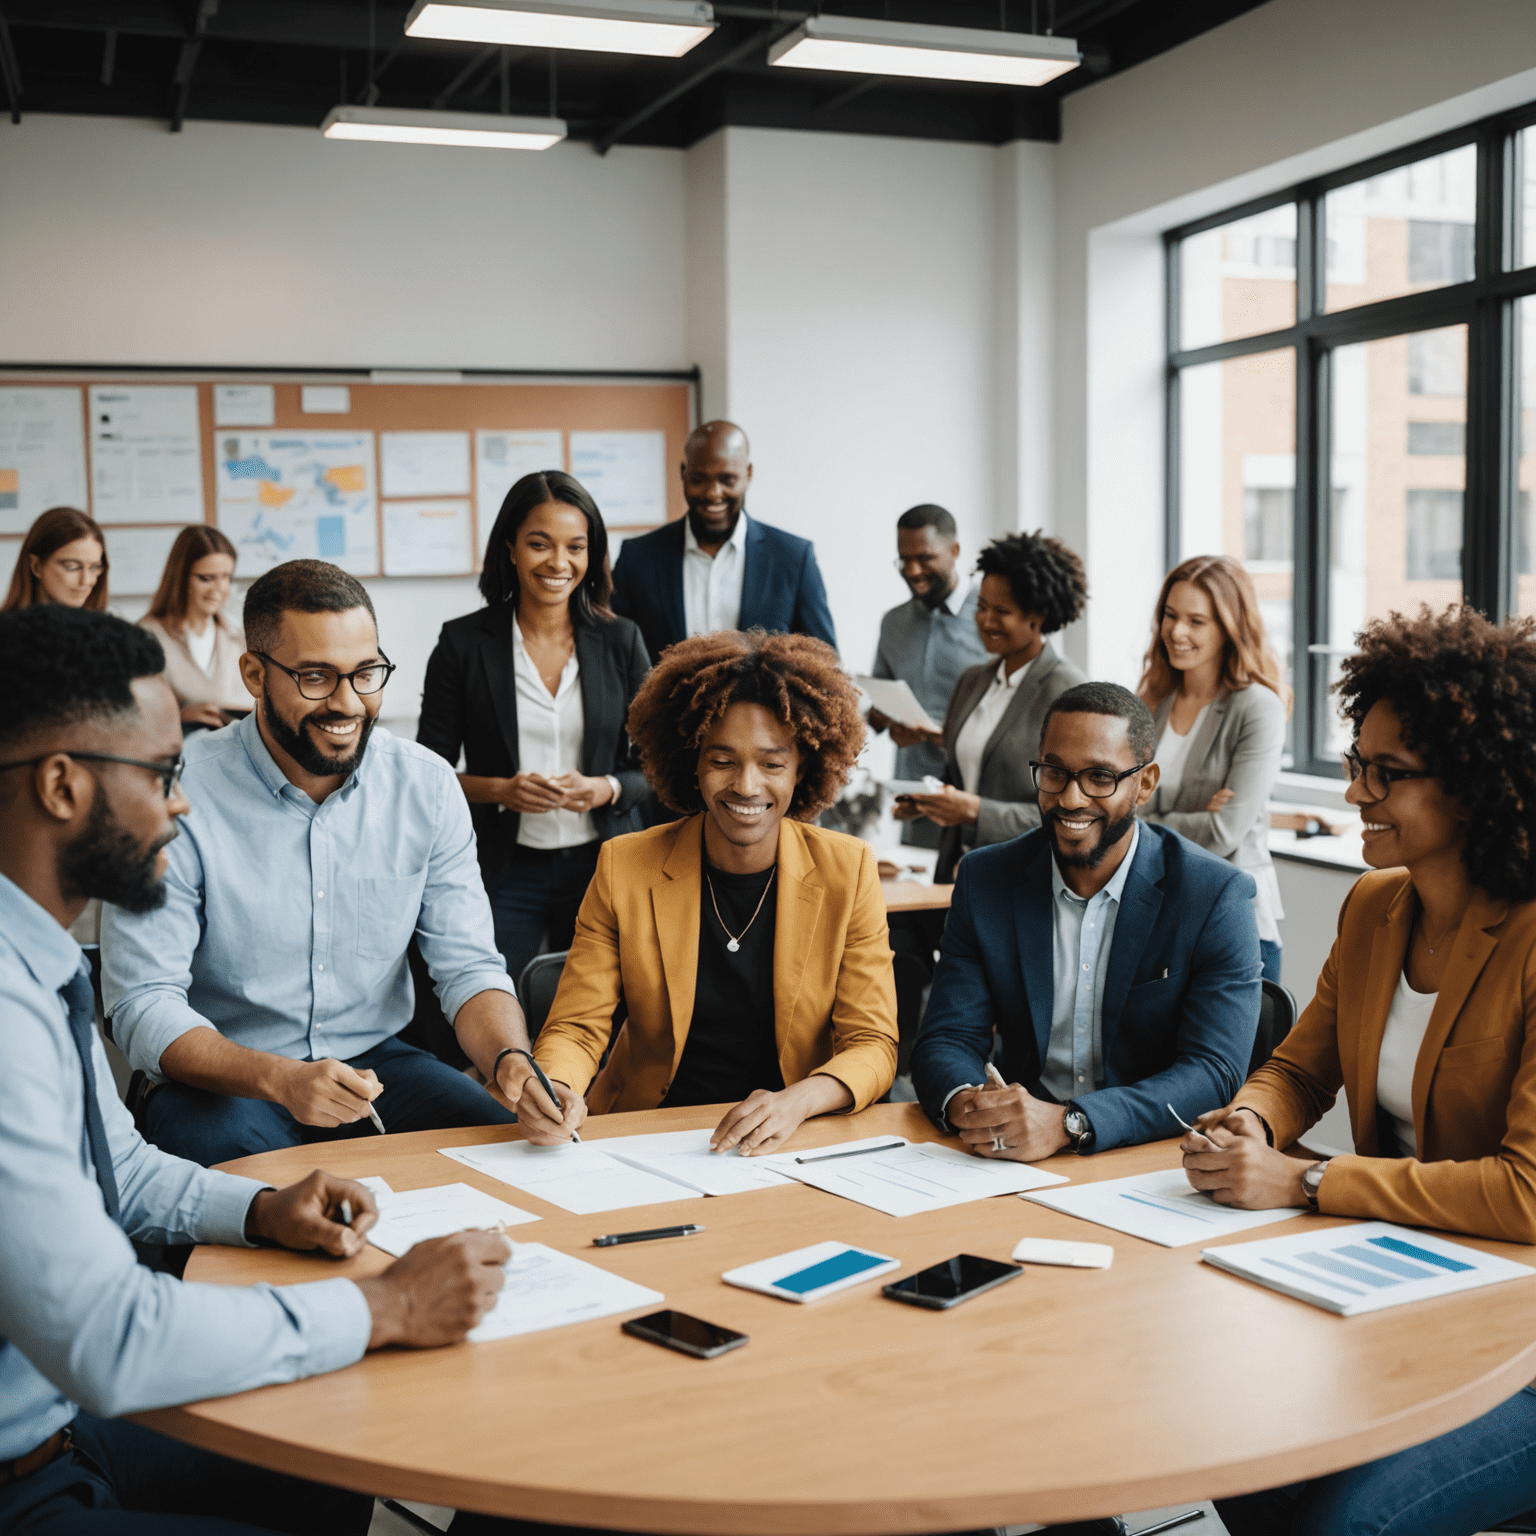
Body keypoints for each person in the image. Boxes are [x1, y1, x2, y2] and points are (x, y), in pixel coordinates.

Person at [0, 603, 514, 1535]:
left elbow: (121, 1173)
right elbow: (110, 1339)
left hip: (63, 1426)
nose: (184, 802)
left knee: (332, 1435)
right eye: (161, 774)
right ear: (64, 786)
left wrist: (261, 1209)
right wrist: (383, 1305)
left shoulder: (34, 965)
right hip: (24, 1477)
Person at [1180, 606, 1536, 1536]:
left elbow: (1530, 1193)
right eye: (1356, 765)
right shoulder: (1375, 907)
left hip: (1522, 1342)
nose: (1356, 796)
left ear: (1477, 785)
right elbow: (1299, 1069)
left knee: (1343, 1525)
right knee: (1211, 1423)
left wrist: (1305, 1180)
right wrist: (1253, 1121)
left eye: (1390, 774)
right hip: (1402, 1290)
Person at [100, 559, 529, 1168]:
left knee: (506, 1150)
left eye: (366, 674)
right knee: (249, 1188)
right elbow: (142, 1002)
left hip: (376, 1066)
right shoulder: (178, 793)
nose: (348, 703)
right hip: (225, 1076)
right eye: (316, 678)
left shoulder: (425, 787)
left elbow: (468, 969)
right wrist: (278, 1079)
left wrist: (511, 1061)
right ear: (253, 673)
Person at [499, 629, 897, 1154]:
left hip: (791, 1137)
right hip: (650, 1133)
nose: (747, 786)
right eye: (722, 760)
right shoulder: (626, 866)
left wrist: (797, 1101)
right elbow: (576, 1026)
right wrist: (556, 1086)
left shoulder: (849, 870)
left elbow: (872, 1043)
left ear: (804, 768)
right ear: (692, 760)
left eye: (772, 764)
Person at [911, 682, 1261, 1159]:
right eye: (1054, 772)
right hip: (1013, 1154)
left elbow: (1212, 1070)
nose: (1071, 799)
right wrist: (970, 1105)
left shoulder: (1215, 895)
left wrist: (1070, 1122)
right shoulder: (986, 879)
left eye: (1100, 777)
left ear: (1146, 782)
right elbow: (947, 1037)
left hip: (1145, 1155)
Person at [418, 471, 651, 985]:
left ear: (592, 556)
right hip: (504, 868)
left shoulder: (621, 640)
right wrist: (504, 789)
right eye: (539, 544)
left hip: (601, 862)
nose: (559, 563)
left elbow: (659, 768)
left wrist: (605, 788)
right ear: (511, 547)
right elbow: (427, 772)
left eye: (575, 547)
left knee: (599, 1010)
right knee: (493, 999)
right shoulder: (463, 643)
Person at [896, 530, 1088, 884]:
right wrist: (926, 801)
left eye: (1001, 611)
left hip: (1028, 877)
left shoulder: (1069, 693)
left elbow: (1074, 812)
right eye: (981, 607)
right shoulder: (973, 681)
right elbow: (962, 775)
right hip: (961, 873)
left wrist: (976, 811)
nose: (985, 622)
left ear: (1039, 616)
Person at [1137, 555, 1288, 984]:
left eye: (1196, 621)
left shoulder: (1257, 707)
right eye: (1170, 615)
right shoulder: (1150, 700)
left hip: (1232, 926)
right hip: (1155, 919)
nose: (1177, 632)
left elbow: (1224, 834)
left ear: (1229, 627)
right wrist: (1196, 810)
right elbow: (1116, 806)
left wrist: (1145, 810)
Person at [610, 421, 837, 661]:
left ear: (748, 474)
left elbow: (824, 663)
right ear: (683, 473)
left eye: (727, 479)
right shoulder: (637, 558)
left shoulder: (793, 558)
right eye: (699, 479)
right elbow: (617, 659)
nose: (712, 493)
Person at [867, 503, 989, 852]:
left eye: (925, 558)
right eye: (904, 560)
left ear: (955, 551)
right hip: (915, 803)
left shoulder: (993, 616)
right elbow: (879, 704)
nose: (912, 570)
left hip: (974, 800)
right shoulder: (893, 623)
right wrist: (883, 718)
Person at [139, 524, 251, 732]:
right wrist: (179, 717)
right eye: (206, 578)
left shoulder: (237, 637)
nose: (219, 589)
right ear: (180, 578)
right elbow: (133, 714)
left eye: (226, 577)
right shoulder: (147, 637)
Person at [3, 505, 108, 611]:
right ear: (37, 566)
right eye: (72, 567)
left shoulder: (110, 626)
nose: (86, 581)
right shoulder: (6, 626)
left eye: (95, 568)